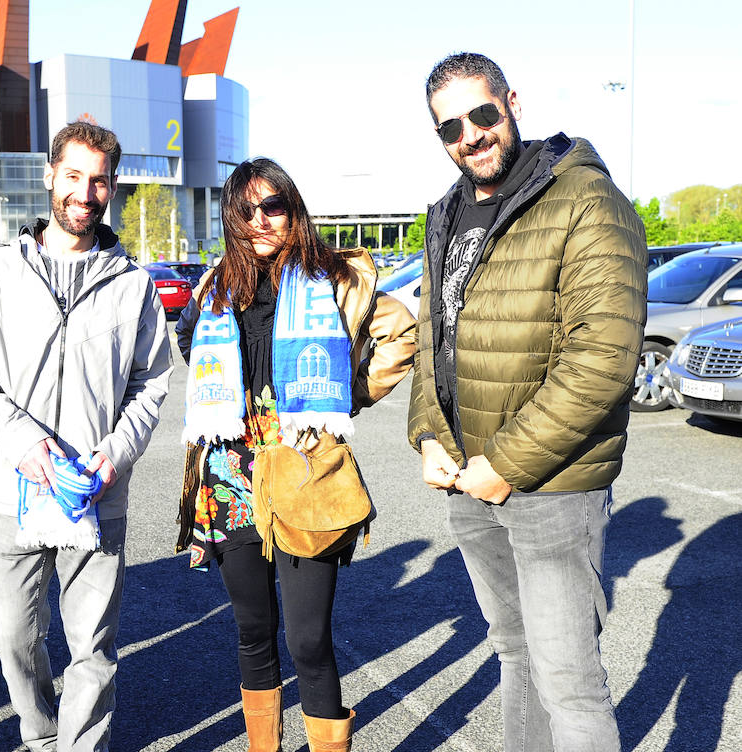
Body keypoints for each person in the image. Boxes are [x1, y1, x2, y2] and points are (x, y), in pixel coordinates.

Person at [407, 53, 647, 751]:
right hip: (468, 482)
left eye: (482, 114)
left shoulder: (585, 201)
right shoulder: (447, 211)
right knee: (514, 656)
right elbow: (434, 337)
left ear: (511, 101)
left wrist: (504, 463)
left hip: (550, 486)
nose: (470, 135)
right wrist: (429, 433)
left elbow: (603, 359)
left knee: (569, 680)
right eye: (450, 127)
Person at [0, 121, 173, 752]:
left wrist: (115, 454)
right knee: (14, 638)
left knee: (92, 647)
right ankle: (42, 732)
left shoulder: (133, 285)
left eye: (98, 180)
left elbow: (151, 385)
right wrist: (19, 440)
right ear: (50, 178)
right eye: (73, 176)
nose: (85, 192)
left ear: (112, 187)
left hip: (96, 494)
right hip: (12, 487)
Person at [175, 158, 415, 752]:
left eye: (273, 206)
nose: (260, 220)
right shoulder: (214, 287)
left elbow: (402, 334)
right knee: (253, 630)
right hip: (230, 478)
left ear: (293, 210)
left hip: (305, 469)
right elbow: (189, 345)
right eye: (246, 209)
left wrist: (344, 397)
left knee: (309, 640)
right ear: (232, 216)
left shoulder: (330, 278)